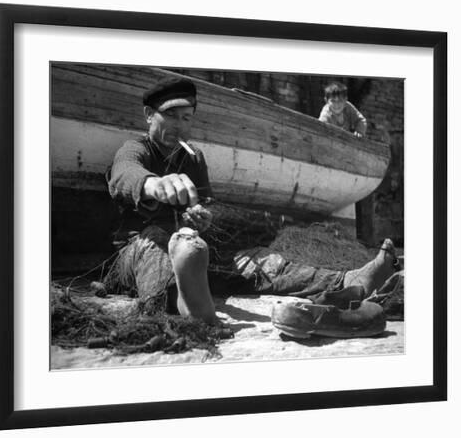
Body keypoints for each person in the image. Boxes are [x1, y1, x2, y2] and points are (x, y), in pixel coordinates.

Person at [105, 76, 396, 324]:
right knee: (157, 241)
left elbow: (205, 204)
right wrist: (154, 184)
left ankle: (347, 282)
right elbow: (123, 174)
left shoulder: (193, 157)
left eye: (186, 118)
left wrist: (202, 217)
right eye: (170, 116)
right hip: (137, 250)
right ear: (148, 115)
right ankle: (184, 305)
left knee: (259, 261)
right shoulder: (136, 149)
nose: (179, 126)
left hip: (190, 249)